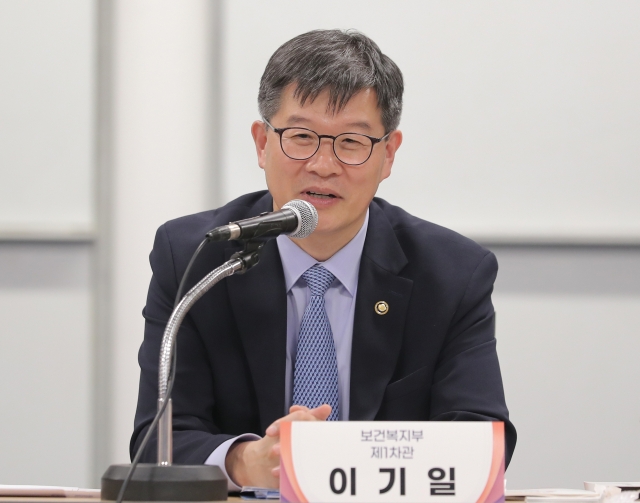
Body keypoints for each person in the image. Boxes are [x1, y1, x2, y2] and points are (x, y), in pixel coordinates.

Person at [131, 29, 516, 490]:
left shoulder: (451, 272)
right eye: (300, 136)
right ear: (261, 143)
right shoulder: (200, 257)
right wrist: (246, 460)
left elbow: (477, 438)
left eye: (351, 143)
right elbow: (159, 440)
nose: (323, 165)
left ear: (388, 155)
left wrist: (342, 462)